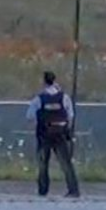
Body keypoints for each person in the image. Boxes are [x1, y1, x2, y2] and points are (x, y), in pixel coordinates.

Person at [27, 70, 80, 198]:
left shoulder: (39, 99)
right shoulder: (64, 97)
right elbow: (70, 115)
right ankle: (73, 190)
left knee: (43, 164)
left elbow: (29, 116)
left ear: (44, 82)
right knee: (66, 164)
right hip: (60, 134)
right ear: (55, 80)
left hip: (44, 135)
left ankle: (43, 190)